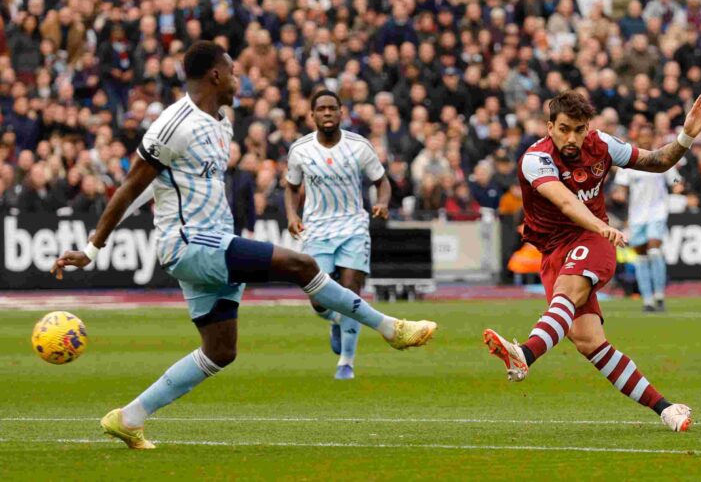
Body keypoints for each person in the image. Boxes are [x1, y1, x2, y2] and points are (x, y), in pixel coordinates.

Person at [50, 42, 437, 449]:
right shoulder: (172, 124)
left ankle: (129, 417)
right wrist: (93, 248)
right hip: (188, 243)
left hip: (213, 243)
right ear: (215, 75)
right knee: (301, 265)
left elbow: (161, 187)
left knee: (220, 350)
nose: (239, 79)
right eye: (233, 71)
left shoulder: (221, 122)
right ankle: (391, 328)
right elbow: (132, 187)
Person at [483, 91, 701, 432]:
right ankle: (666, 409)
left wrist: (686, 136)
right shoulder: (535, 159)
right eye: (563, 129)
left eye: (578, 129)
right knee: (590, 341)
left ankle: (525, 354)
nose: (571, 138)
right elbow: (565, 202)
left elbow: (657, 162)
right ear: (549, 127)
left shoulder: (602, 145)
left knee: (567, 293)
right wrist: (602, 224)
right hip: (556, 250)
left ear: (588, 128)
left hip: (592, 240)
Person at [284, 90, 392, 380]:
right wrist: (292, 215)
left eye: (333, 108)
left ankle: (346, 362)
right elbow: (292, 187)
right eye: (322, 109)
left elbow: (382, 181)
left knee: (350, 291)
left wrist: (382, 202)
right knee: (320, 299)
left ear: (342, 113)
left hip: (353, 227)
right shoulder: (300, 150)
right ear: (313, 115)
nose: (328, 113)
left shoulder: (359, 146)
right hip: (317, 229)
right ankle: (334, 318)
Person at [613, 124, 681, 312]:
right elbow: (622, 187)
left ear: (652, 137)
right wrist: (619, 194)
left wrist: (677, 186)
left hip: (657, 211)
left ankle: (659, 295)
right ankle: (648, 299)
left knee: (655, 251)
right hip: (637, 215)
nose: (645, 139)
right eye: (642, 135)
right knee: (641, 257)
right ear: (638, 138)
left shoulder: (661, 157)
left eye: (648, 135)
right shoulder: (628, 161)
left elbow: (675, 179)